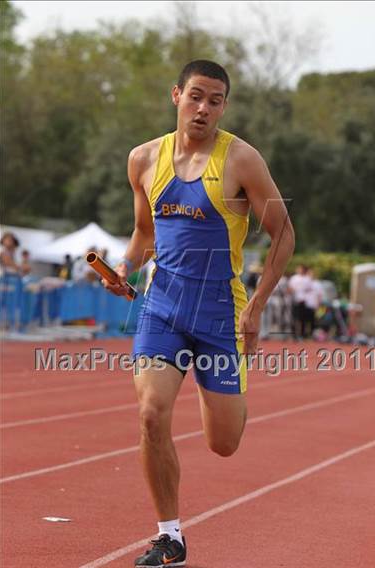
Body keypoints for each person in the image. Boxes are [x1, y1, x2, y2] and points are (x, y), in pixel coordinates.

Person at [102, 60, 295, 567]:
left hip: (219, 316)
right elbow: (144, 233)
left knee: (224, 444)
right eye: (196, 96)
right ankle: (171, 536)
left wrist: (255, 307)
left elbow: (284, 234)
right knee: (150, 413)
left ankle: (230, 393)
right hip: (162, 307)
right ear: (176, 96)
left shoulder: (241, 160)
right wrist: (123, 268)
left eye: (215, 100)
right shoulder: (144, 159)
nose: (204, 108)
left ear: (223, 106)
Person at [288, 264, 310, 339]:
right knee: (294, 317)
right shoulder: (294, 278)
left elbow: (309, 289)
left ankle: (302, 334)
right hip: (294, 300)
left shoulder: (307, 279)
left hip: (303, 300)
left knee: (302, 318)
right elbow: (290, 288)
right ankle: (294, 334)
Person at [304, 268, 323, 338]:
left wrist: (318, 304)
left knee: (313, 321)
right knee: (304, 320)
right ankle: (304, 334)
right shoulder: (305, 283)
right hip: (305, 304)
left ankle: (312, 334)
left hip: (314, 304)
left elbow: (320, 295)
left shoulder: (317, 283)